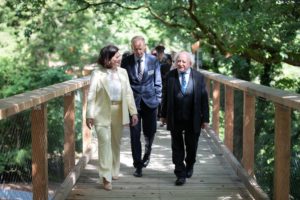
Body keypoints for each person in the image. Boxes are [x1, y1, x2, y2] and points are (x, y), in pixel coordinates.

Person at [86, 44, 138, 191]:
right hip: (101, 113)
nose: (119, 59)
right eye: (116, 57)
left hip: (118, 111)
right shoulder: (97, 73)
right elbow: (91, 95)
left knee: (115, 143)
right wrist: (89, 115)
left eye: (119, 56)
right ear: (107, 59)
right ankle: (106, 177)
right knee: (104, 144)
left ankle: (114, 170)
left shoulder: (123, 72)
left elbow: (128, 93)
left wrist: (133, 112)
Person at [160, 51, 209, 186]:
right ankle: (180, 174)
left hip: (193, 117)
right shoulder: (170, 76)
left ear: (190, 64)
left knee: (191, 146)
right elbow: (165, 96)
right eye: (178, 61)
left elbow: (204, 98)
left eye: (183, 62)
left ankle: (190, 163)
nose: (180, 64)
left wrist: (205, 118)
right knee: (177, 147)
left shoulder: (199, 77)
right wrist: (163, 115)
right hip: (175, 117)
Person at [121, 36, 162, 177]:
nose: (138, 51)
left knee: (150, 133)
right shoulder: (126, 62)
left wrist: (158, 99)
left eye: (140, 48)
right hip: (133, 105)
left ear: (145, 47)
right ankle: (137, 165)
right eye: (135, 49)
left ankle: (148, 152)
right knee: (134, 135)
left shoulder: (153, 61)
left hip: (150, 103)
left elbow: (158, 82)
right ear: (132, 48)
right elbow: (123, 84)